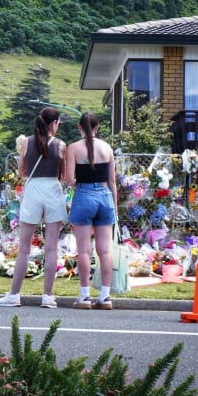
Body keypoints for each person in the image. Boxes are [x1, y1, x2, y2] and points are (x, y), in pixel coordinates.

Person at [0, 107, 66, 308]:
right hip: (53, 188)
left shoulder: (27, 142)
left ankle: (14, 294)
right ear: (54, 124)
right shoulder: (61, 145)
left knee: (24, 247)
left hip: (33, 188)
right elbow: (62, 175)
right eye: (59, 123)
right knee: (51, 247)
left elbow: (22, 172)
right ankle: (47, 296)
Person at [64, 111, 118, 310]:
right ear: (97, 128)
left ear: (79, 127)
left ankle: (85, 295)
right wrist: (115, 205)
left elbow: (70, 179)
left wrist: (80, 185)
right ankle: (105, 296)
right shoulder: (107, 147)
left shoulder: (73, 148)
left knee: (84, 250)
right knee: (105, 250)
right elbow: (112, 181)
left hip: (84, 195)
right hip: (105, 195)